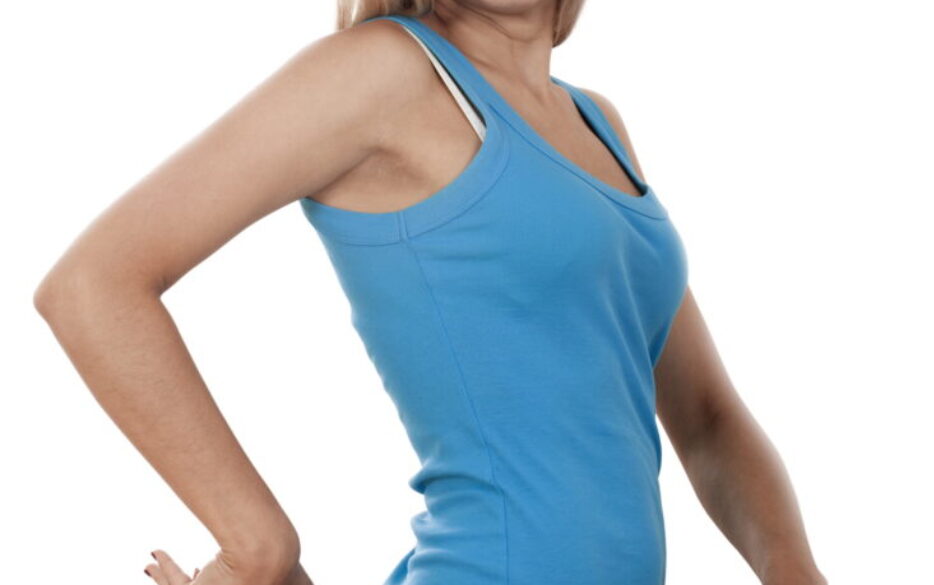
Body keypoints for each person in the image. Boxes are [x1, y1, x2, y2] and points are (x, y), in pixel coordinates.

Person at [33, 2, 828, 584]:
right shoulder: (384, 72)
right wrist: (258, 544)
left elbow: (710, 420)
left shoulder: (599, 123)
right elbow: (93, 284)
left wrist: (795, 569)